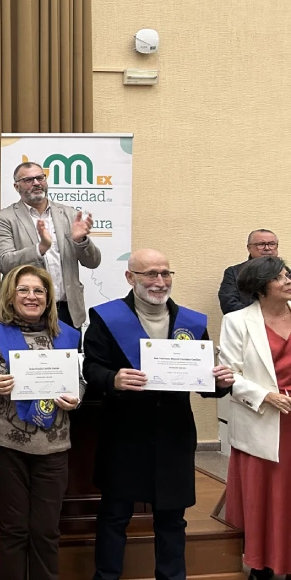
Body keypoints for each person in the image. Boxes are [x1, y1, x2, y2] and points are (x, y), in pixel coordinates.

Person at [82, 248, 234, 580]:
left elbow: (205, 382)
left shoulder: (191, 323)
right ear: (130, 277)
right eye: (150, 273)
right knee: (114, 515)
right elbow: (91, 368)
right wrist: (113, 378)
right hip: (124, 433)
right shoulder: (105, 318)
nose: (159, 281)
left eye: (165, 273)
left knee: (171, 519)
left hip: (173, 433)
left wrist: (220, 382)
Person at [0, 265, 84, 580]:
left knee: (46, 530)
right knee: (14, 529)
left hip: (53, 446)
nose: (32, 296)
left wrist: (76, 396)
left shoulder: (66, 335)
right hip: (4, 445)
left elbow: (78, 381)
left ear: (48, 297)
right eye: (24, 290)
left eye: (39, 291)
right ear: (11, 295)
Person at [220, 256, 291, 580]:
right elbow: (229, 375)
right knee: (265, 498)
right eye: (280, 277)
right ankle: (261, 565)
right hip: (263, 418)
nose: (288, 279)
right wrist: (265, 395)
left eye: (287, 273)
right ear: (261, 288)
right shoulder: (237, 321)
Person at [0, 161, 101, 329]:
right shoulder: (4, 218)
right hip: (26, 309)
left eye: (40, 178)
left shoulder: (68, 214)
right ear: (16, 186)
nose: (36, 183)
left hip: (67, 310)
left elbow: (93, 262)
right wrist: (40, 248)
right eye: (28, 180)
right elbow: (5, 262)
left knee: (69, 355)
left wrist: (80, 241)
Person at [220, 229, 279, 314]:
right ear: (249, 248)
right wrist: (261, 316)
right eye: (261, 244)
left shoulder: (286, 273)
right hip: (246, 323)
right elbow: (228, 303)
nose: (267, 248)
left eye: (272, 244)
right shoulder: (234, 272)